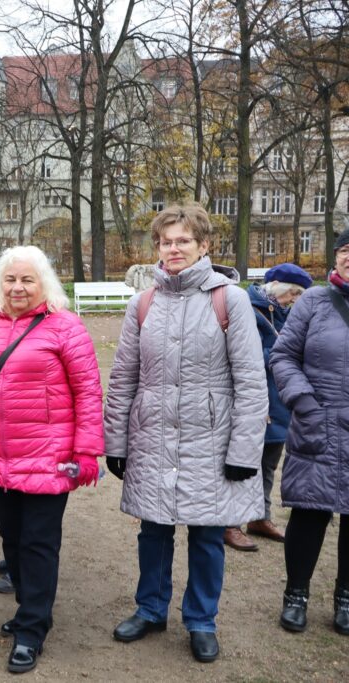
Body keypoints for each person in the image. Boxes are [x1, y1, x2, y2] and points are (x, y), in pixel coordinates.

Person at [104, 205, 267, 664]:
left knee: (208, 536)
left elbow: (252, 381)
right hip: (153, 436)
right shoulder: (144, 303)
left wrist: (244, 450)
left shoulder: (229, 299)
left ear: (204, 246)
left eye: (183, 241)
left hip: (210, 439)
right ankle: (151, 608)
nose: (173, 249)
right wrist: (115, 441)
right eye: (165, 242)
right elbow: (123, 378)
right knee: (153, 531)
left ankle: (201, 620)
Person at [0, 245, 103, 673]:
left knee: (38, 544)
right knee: (12, 541)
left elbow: (88, 393)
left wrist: (87, 450)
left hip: (50, 457)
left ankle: (31, 629)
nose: (17, 288)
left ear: (43, 283)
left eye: (27, 280)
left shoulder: (64, 327)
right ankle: (29, 609)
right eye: (10, 280)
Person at [270, 226, 349, 635]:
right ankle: (296, 593)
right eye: (346, 249)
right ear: (336, 255)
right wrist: (303, 402)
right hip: (318, 422)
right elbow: (282, 356)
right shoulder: (316, 301)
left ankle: (346, 597)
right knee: (310, 511)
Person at [223, 263, 312, 551]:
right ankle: (229, 523)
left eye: (300, 295)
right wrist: (283, 354)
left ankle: (260, 517)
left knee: (269, 463)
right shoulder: (248, 309)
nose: (296, 300)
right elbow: (241, 354)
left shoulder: (292, 314)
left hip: (281, 399)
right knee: (243, 463)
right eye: (293, 294)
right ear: (278, 290)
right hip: (256, 399)